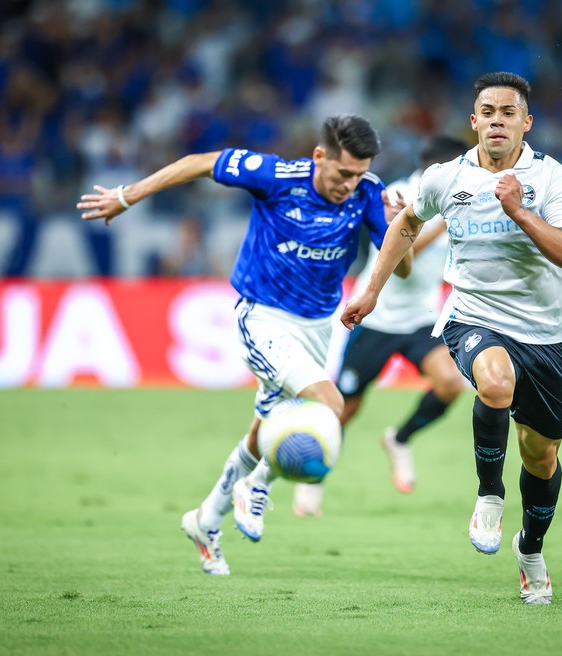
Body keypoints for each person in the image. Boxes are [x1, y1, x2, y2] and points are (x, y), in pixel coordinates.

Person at [77, 115, 411, 575]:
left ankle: (205, 520)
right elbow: (199, 163)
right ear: (320, 157)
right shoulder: (275, 176)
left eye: (358, 174)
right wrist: (126, 195)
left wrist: (401, 226)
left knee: (263, 431)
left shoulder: (370, 193)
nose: (349, 185)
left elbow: (405, 268)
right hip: (263, 316)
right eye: (342, 174)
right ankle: (257, 485)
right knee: (329, 405)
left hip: (318, 327)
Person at [340, 72, 562, 606]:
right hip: (473, 315)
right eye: (487, 112)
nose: (497, 120)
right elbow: (406, 223)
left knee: (541, 457)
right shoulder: (444, 177)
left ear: (526, 122)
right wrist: (372, 291)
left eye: (508, 112)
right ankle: (489, 496)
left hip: (545, 334)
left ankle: (531, 549)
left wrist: (519, 211)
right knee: (493, 385)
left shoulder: (552, 181)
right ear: (473, 121)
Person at [292, 136, 469, 517]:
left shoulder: (465, 200)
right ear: (439, 169)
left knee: (452, 382)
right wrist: (441, 222)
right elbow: (403, 254)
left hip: (421, 318)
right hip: (379, 317)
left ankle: (399, 440)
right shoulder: (397, 196)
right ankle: (312, 483)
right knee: (344, 408)